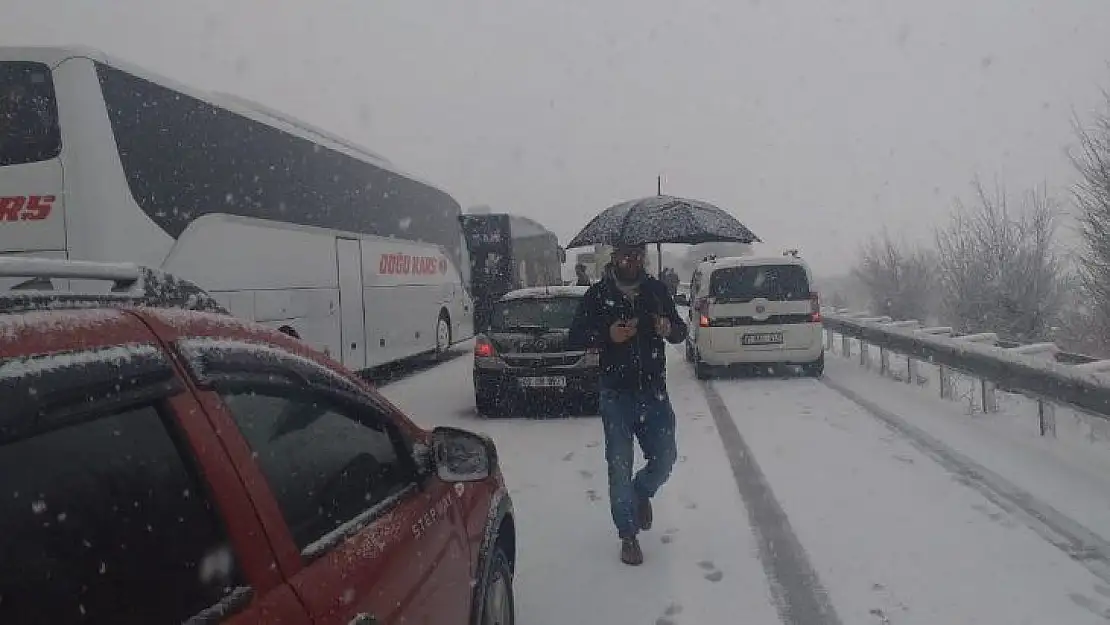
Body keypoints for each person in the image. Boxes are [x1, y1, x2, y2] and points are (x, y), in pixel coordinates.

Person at [568, 242, 688, 565]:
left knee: (666, 457)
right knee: (618, 466)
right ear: (614, 257)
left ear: (643, 257)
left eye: (636, 254)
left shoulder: (656, 291)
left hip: (654, 392)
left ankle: (642, 491)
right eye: (624, 254)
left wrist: (668, 328)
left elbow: (681, 331)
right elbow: (576, 336)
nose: (630, 260)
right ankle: (628, 534)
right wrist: (608, 335)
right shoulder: (597, 295)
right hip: (616, 395)